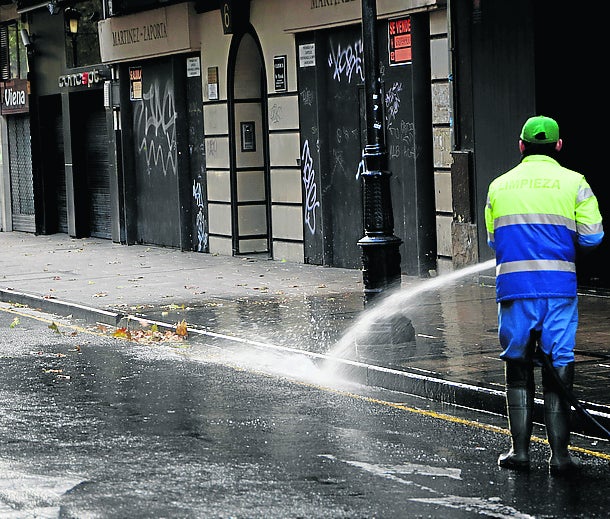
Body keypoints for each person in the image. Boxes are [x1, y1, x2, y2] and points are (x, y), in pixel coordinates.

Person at [484, 115, 604, 476]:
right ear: (558, 146)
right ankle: (560, 457)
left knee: (518, 368)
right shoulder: (575, 183)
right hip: (558, 290)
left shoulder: (499, 186)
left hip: (515, 289)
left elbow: (494, 239)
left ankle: (519, 453)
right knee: (558, 368)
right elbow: (593, 235)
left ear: (521, 146)